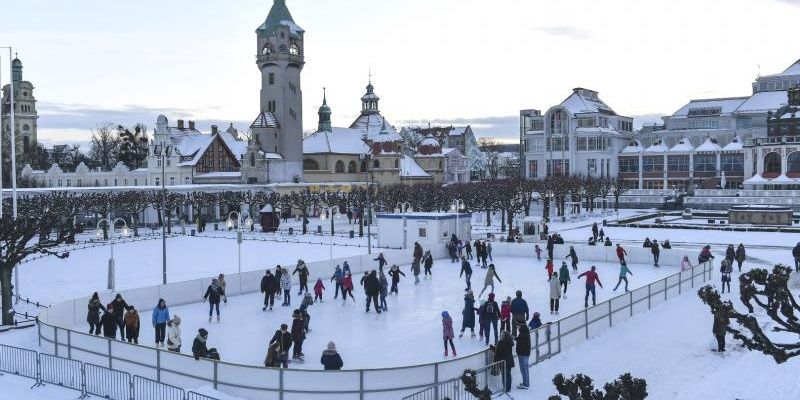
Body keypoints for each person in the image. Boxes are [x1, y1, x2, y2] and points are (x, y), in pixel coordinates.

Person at [515, 321, 531, 390]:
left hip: (523, 354)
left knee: (524, 369)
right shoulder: (524, 331)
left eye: (517, 325)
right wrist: (516, 338)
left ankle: (526, 384)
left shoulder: (523, 333)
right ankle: (525, 383)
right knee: (524, 369)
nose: (517, 327)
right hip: (524, 353)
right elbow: (521, 340)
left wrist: (519, 352)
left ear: (520, 325)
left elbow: (522, 343)